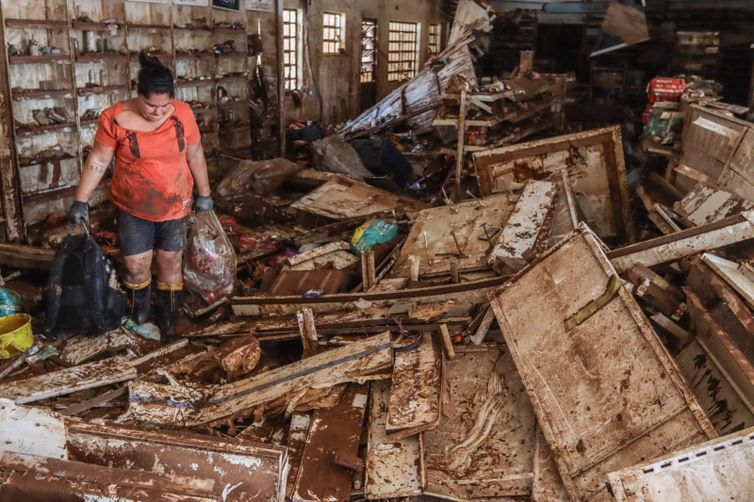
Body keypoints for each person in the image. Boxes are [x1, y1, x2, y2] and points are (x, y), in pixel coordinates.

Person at [68, 53, 212, 340]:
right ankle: (140, 314)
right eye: (150, 105)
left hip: (175, 202)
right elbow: (98, 160)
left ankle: (169, 318)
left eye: (164, 105)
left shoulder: (183, 114)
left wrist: (204, 193)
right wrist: (80, 200)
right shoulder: (114, 117)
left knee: (170, 261)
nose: (158, 112)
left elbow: (195, 154)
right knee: (136, 265)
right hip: (133, 206)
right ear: (137, 93)